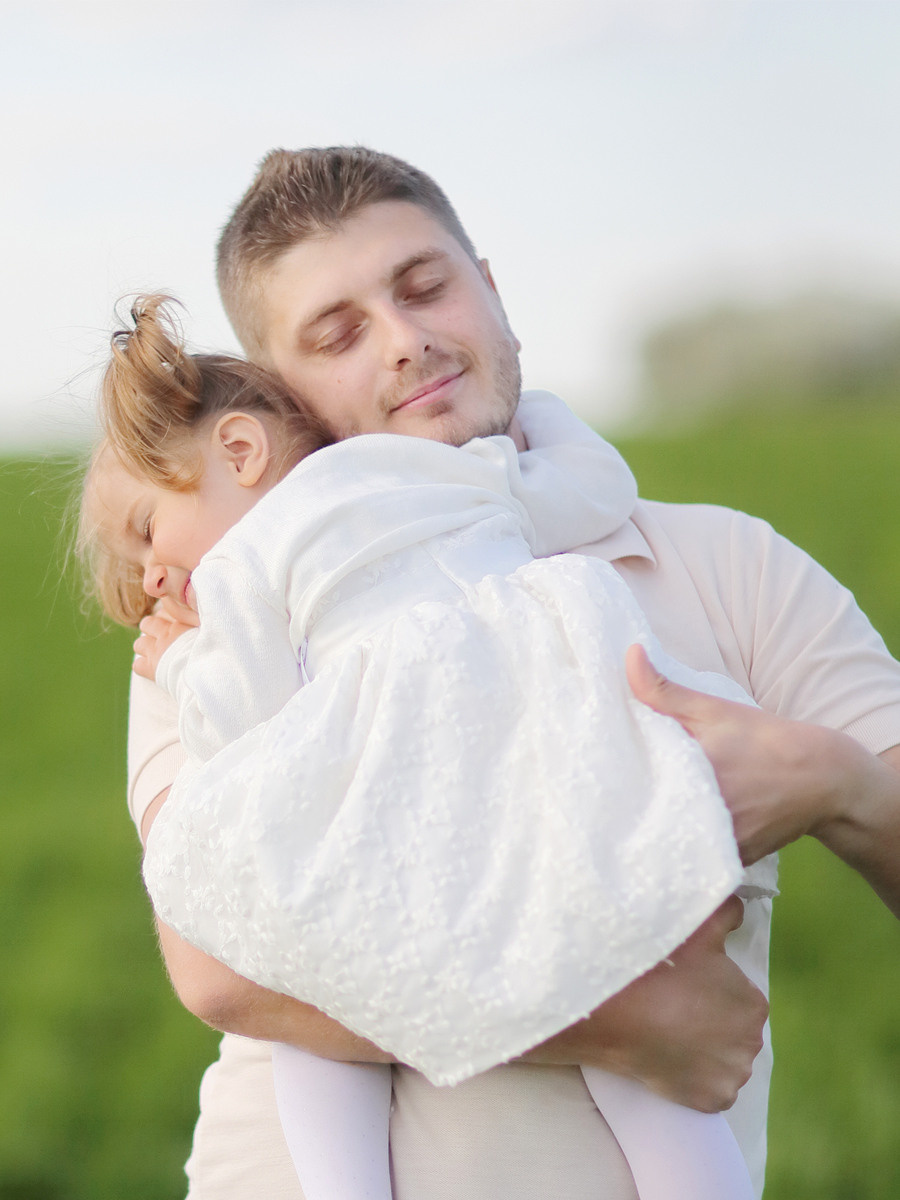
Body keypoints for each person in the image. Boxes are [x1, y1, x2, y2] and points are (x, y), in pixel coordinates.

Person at [125, 147, 900, 1200]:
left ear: (491, 289)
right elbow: (217, 963)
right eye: (338, 333)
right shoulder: (228, 614)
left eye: (425, 285)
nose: (406, 341)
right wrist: (624, 1019)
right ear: (279, 397)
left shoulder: (727, 566)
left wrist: (834, 783)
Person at [82, 294, 768, 1200]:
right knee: (632, 1026)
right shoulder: (425, 471)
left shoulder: (245, 576)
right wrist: (541, 417)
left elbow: (241, 735)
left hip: (411, 810)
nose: (154, 578)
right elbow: (591, 488)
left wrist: (179, 667)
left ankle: (349, 1189)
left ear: (241, 453)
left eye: (146, 536)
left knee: (314, 1008)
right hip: (539, 771)